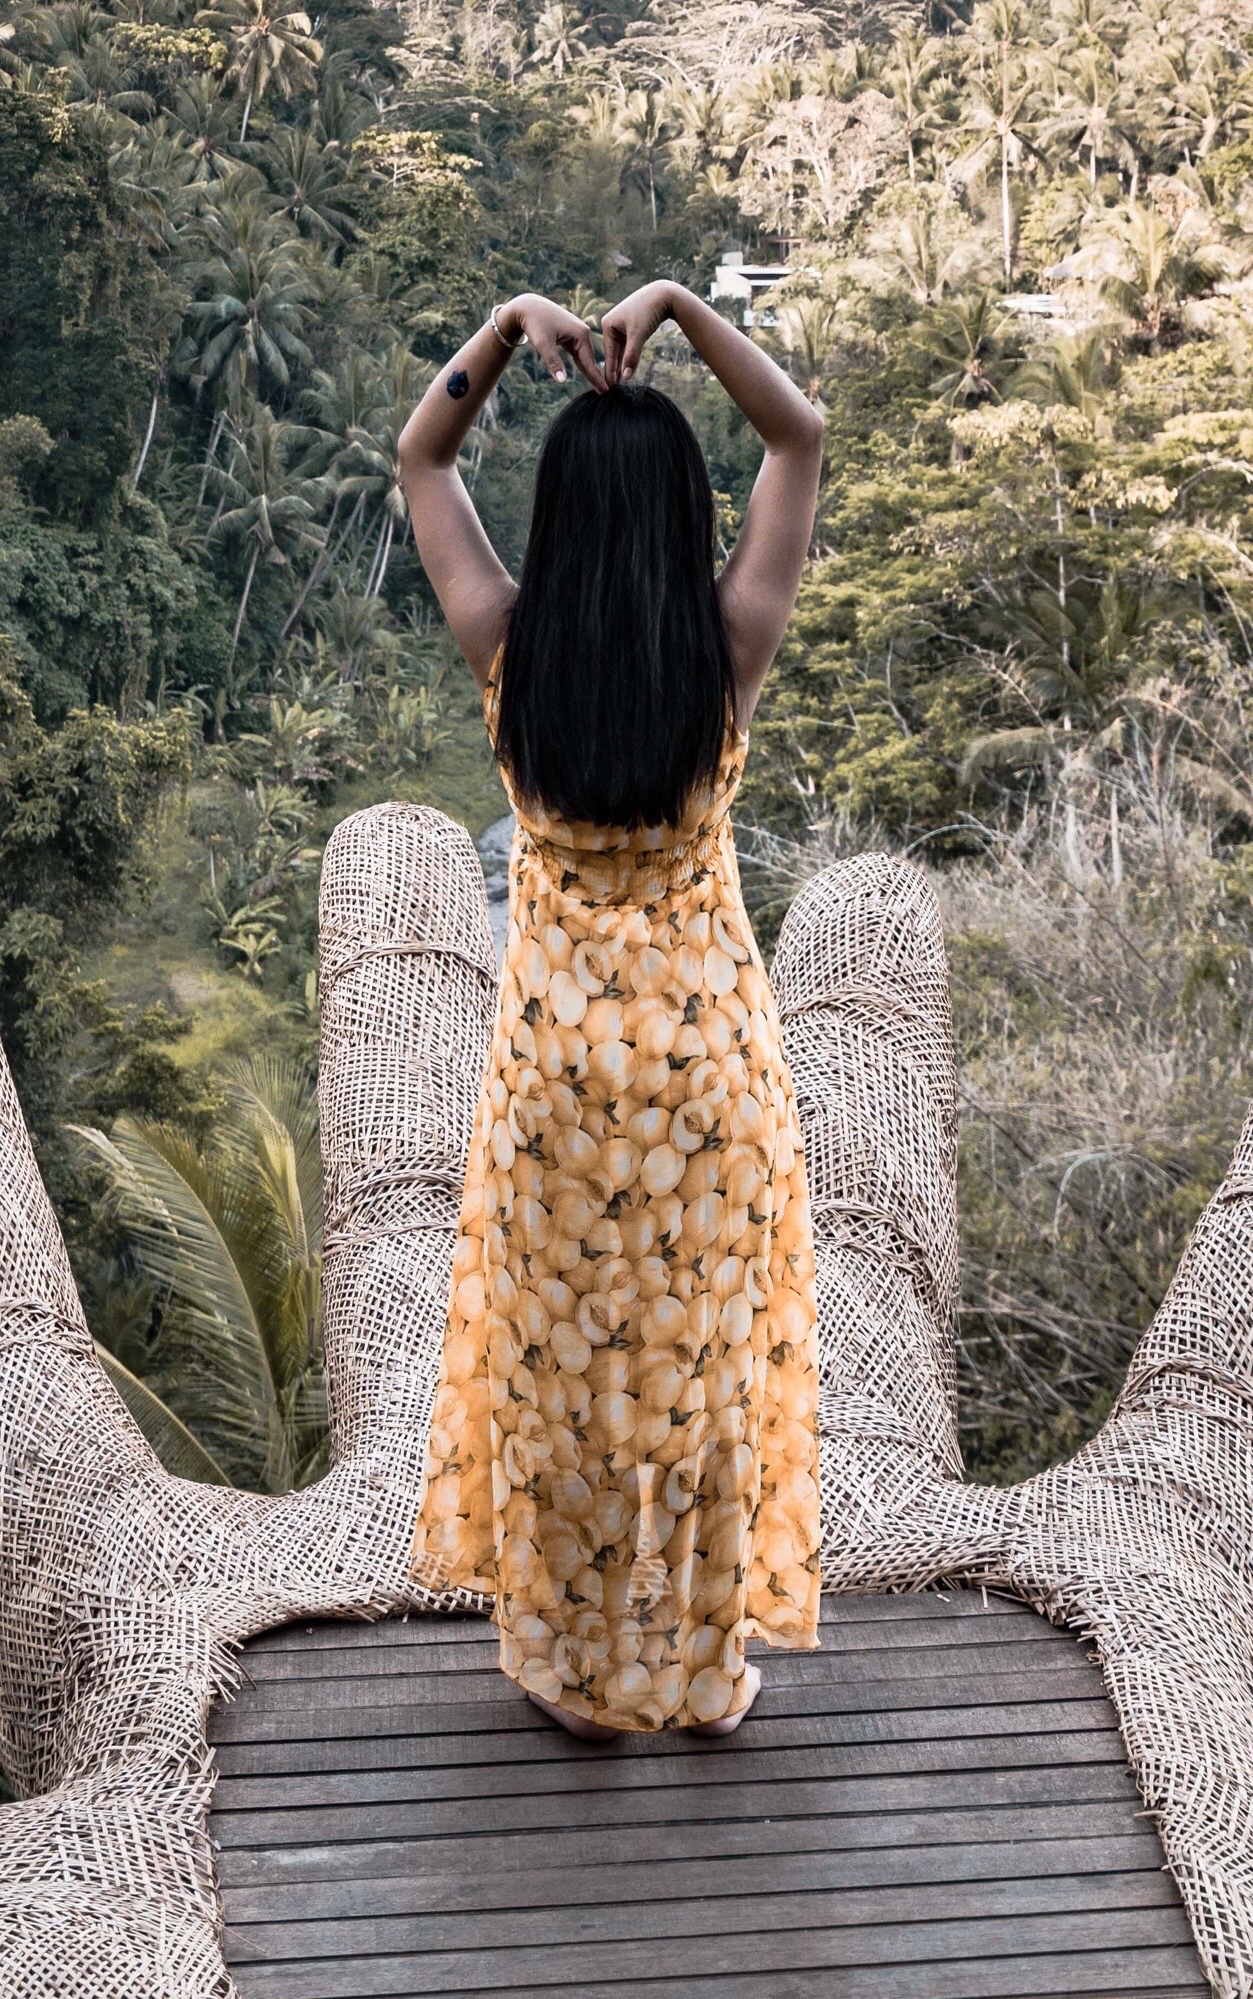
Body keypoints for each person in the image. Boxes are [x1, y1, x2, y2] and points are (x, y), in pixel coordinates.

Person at [398, 274, 825, 1739]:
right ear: (676, 526)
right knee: (702, 1374)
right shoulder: (726, 654)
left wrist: (515, 324)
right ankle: (701, 1677)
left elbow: (421, 456)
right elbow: (799, 435)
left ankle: (576, 1680)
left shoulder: (508, 652)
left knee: (559, 1373)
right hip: (707, 1071)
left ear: (563, 522)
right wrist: (679, 310)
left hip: (553, 1077)